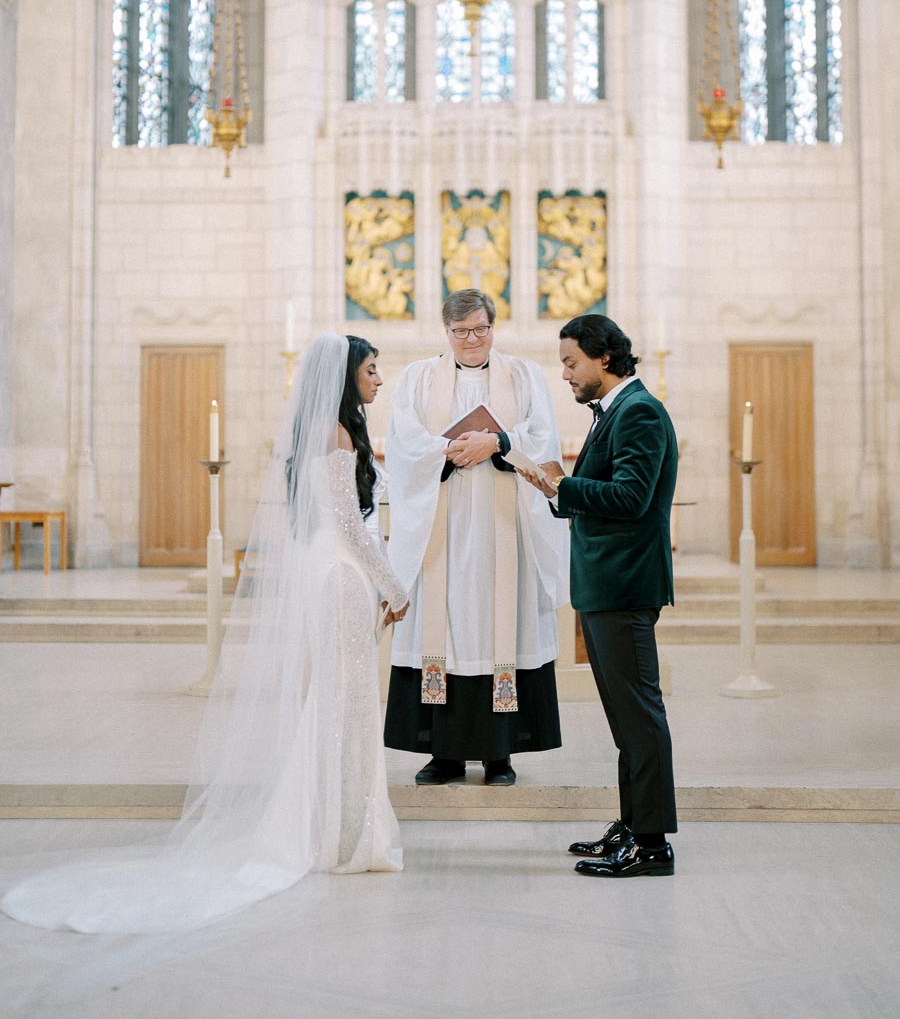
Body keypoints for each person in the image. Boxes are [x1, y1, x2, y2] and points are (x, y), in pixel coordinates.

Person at [1, 332, 409, 934]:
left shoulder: (319, 433)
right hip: (344, 579)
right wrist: (395, 589)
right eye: (372, 370)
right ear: (346, 376)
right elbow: (351, 527)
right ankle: (343, 836)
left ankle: (335, 829)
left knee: (336, 703)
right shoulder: (339, 434)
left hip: (329, 573)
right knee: (346, 704)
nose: (378, 380)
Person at [383, 289, 569, 787]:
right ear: (446, 332)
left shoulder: (523, 375)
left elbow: (544, 437)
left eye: (481, 329)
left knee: (498, 629)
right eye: (461, 331)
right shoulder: (419, 378)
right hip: (440, 529)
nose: (472, 339)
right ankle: (442, 754)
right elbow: (401, 442)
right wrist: (449, 449)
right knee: (440, 633)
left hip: (504, 530)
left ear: (493, 327)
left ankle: (499, 754)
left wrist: (499, 441)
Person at [521, 313, 678, 878]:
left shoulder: (638, 412)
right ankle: (633, 824)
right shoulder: (612, 411)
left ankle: (652, 843)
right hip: (605, 582)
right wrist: (554, 487)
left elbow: (632, 497)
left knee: (639, 717)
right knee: (624, 718)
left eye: (570, 362)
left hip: (625, 583)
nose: (565, 374)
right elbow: (599, 492)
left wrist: (563, 484)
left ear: (603, 358)